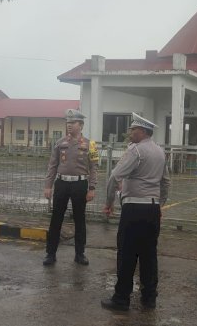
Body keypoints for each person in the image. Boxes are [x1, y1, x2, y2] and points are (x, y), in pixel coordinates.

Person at [100, 113, 170, 312]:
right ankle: (149, 297)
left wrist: (109, 202)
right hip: (152, 209)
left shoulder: (136, 151)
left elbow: (115, 177)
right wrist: (159, 204)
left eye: (133, 129)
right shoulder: (159, 151)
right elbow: (165, 182)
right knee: (149, 254)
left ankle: (121, 298)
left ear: (143, 132)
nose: (130, 132)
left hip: (134, 210)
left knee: (127, 253)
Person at [43, 109, 99, 266]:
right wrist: (48, 185)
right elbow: (52, 165)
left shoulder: (91, 145)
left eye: (72, 123)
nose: (69, 125)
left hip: (80, 184)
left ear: (80, 125)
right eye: (67, 122)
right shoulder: (60, 143)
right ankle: (50, 253)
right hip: (61, 184)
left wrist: (92, 188)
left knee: (80, 219)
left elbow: (94, 168)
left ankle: (80, 254)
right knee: (56, 219)